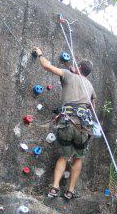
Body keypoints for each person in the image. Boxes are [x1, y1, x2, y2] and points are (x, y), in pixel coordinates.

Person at [33, 47, 96, 199]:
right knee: (78, 158)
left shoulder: (68, 75)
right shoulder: (90, 86)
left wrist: (40, 53)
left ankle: (54, 188)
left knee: (64, 156)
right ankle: (70, 191)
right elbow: (92, 107)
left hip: (67, 123)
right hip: (84, 127)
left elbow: (46, 66)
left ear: (79, 67)